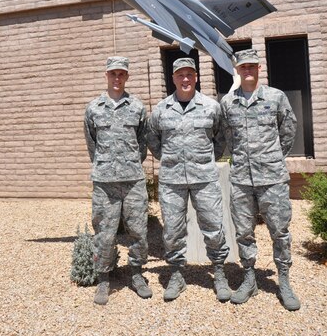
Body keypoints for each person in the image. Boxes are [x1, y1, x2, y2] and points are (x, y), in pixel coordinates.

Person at [220, 48, 300, 311]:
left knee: (279, 231)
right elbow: (229, 138)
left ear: (259, 69)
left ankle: (284, 281)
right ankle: (249, 277)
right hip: (242, 179)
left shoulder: (276, 97)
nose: (248, 71)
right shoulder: (228, 103)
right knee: (244, 232)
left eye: (252, 66)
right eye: (243, 67)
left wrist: (271, 157)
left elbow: (288, 130)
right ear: (238, 71)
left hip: (272, 179)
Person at [147, 57, 231, 302]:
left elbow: (221, 138)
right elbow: (153, 140)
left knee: (214, 227)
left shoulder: (211, 107)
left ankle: (219, 272)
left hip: (204, 178)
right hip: (172, 182)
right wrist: (170, 159)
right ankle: (176, 274)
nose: (185, 79)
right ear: (173, 78)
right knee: (172, 231)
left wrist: (203, 161)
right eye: (180, 75)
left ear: (196, 77)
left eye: (189, 74)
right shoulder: (161, 109)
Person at [84, 56, 152, 305]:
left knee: (138, 230)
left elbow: (142, 143)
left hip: (133, 180)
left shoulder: (137, 107)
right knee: (104, 231)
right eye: (113, 73)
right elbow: (92, 143)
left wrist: (129, 163)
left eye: (121, 74)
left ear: (127, 77)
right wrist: (106, 165)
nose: (117, 78)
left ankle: (136, 273)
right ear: (107, 75)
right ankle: (104, 278)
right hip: (105, 183)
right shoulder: (93, 108)